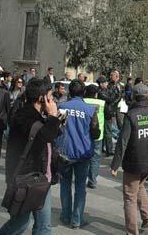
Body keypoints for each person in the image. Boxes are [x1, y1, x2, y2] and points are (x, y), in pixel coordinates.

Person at [0, 78, 60, 235]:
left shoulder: (37, 116)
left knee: (43, 226)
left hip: (41, 179)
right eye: (51, 97)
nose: (53, 101)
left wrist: (55, 120)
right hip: (26, 180)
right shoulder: (24, 117)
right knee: (20, 224)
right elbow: (41, 138)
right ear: (42, 98)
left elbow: (48, 137)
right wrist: (52, 117)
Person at [110, 83, 148, 235]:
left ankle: (131, 232)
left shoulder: (131, 115)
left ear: (134, 96)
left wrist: (115, 165)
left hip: (134, 163)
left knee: (129, 197)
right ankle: (147, 218)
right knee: (139, 186)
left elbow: (122, 142)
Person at [57, 79, 100, 229]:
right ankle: (76, 220)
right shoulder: (90, 110)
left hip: (65, 154)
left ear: (70, 92)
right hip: (83, 154)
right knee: (81, 187)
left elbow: (58, 129)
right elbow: (95, 133)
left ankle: (65, 215)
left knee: (65, 185)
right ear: (84, 93)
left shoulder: (62, 107)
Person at [84, 84, 105, 189]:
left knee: (84, 156)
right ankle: (92, 180)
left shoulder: (83, 102)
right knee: (95, 158)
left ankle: (82, 177)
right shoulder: (102, 103)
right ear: (96, 94)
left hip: (85, 134)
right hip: (98, 134)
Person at [97, 75, 118, 156]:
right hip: (104, 114)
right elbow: (109, 99)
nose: (107, 84)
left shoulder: (105, 90)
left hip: (106, 113)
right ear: (101, 84)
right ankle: (109, 149)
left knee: (106, 132)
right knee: (107, 132)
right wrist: (116, 94)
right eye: (105, 82)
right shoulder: (100, 92)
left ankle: (105, 148)